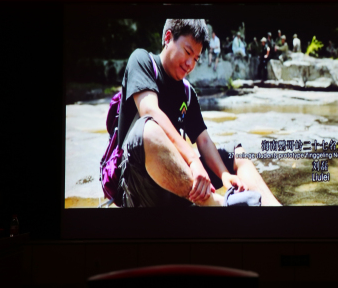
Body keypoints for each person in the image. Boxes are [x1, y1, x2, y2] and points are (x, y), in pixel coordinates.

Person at [117, 19, 281, 207]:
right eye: (187, 52)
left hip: (176, 180)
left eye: (196, 58)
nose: (190, 64)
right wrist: (193, 160)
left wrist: (224, 174)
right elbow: (150, 110)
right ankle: (219, 204)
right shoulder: (142, 61)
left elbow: (203, 140)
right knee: (149, 130)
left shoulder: (187, 93)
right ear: (168, 38)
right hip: (139, 186)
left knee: (237, 153)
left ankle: (273, 209)